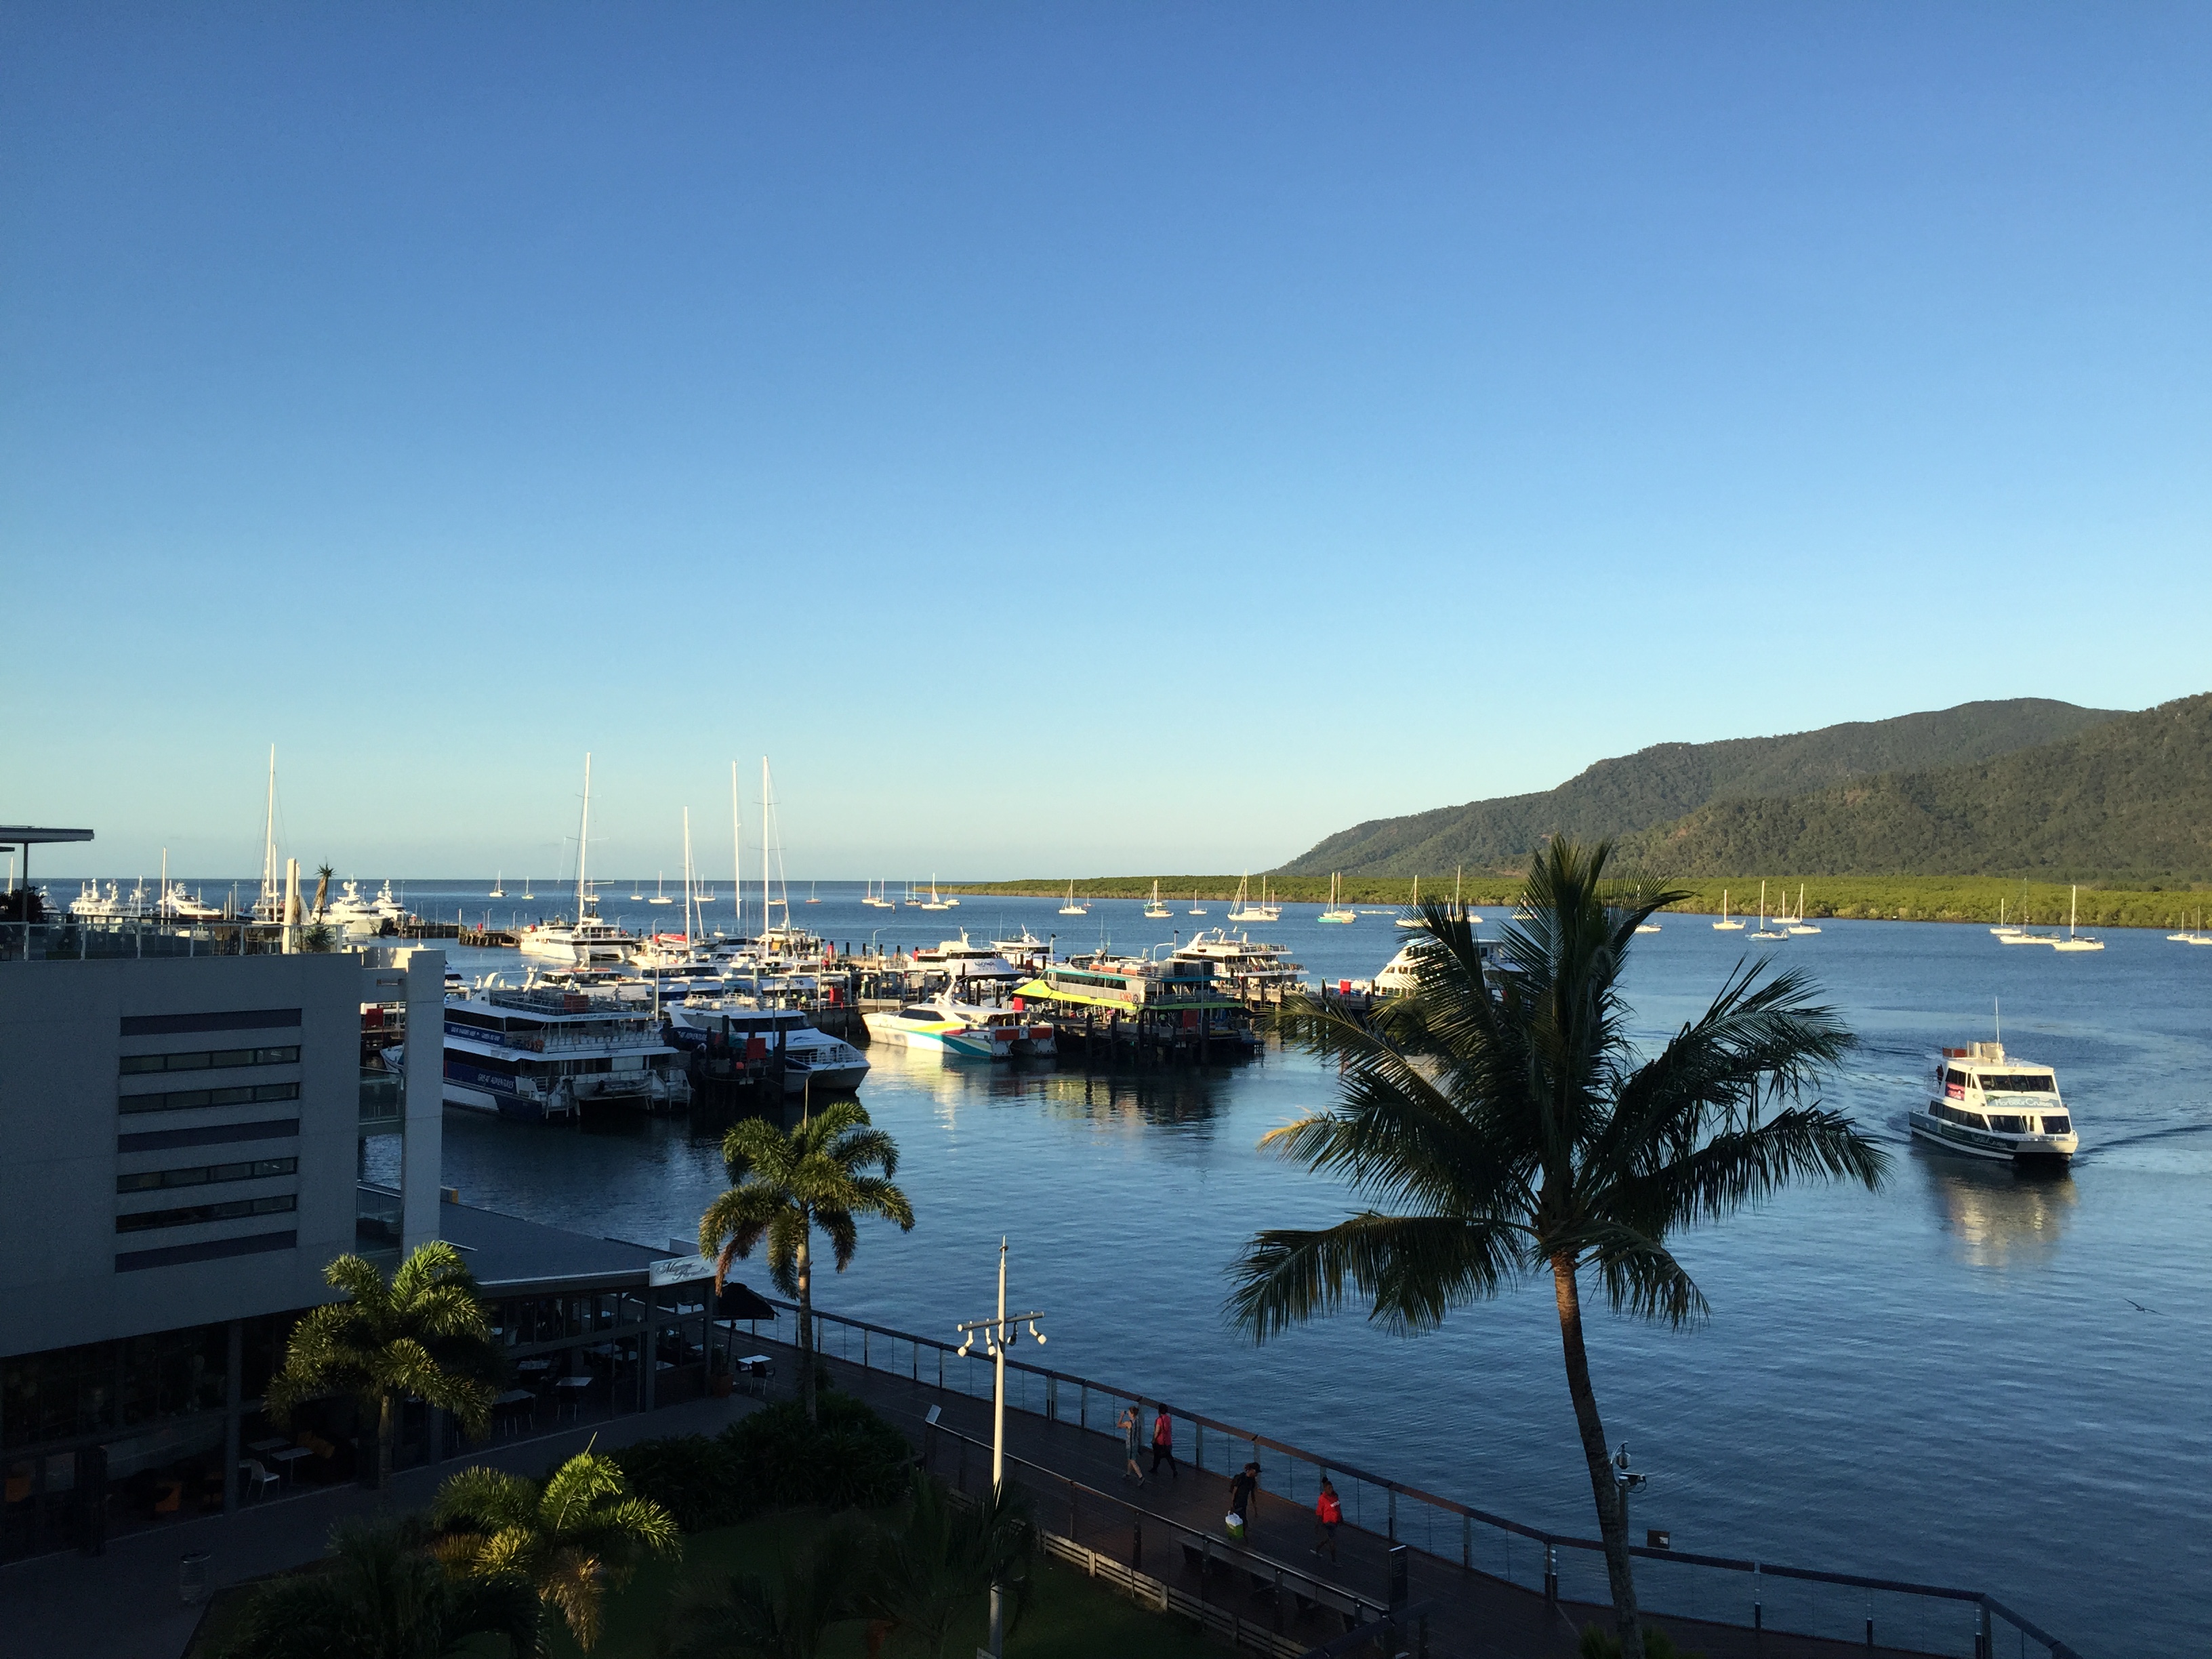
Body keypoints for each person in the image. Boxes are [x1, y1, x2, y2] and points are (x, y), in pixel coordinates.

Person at [1228, 1461, 1261, 1542]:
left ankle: (1236, 1535)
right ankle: (1241, 1535)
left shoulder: (1252, 1481)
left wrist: (1255, 1508)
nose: (1257, 1475)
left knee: (1239, 1519)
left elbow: (1252, 1494)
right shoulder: (1241, 1478)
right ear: (1252, 1470)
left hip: (1244, 1503)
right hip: (1238, 1502)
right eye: (1256, 1472)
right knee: (1241, 1520)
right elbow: (1235, 1491)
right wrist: (1232, 1504)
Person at [1313, 1476, 1342, 1561]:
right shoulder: (1323, 1499)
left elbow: (1338, 1508)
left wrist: (1341, 1518)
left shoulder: (1335, 1496)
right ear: (1325, 1489)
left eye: (1332, 1487)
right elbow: (1320, 1512)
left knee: (1328, 1538)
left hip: (1335, 1521)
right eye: (1329, 1488)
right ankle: (1334, 1560)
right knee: (1332, 1541)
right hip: (1328, 1522)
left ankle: (1318, 1548)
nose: (1331, 1489)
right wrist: (1317, 1524)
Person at [1118, 1406, 1146, 1486]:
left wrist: (1121, 1416)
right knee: (1130, 1459)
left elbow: (1119, 1425)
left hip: (1130, 1445)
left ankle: (1141, 1477)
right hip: (1136, 1443)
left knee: (1132, 1461)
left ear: (1132, 1414)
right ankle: (1128, 1474)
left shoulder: (1129, 1423)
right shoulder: (1138, 1422)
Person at [1150, 1406, 1179, 1479]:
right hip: (1168, 1440)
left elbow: (1157, 1431)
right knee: (1169, 1456)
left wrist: (1154, 1439)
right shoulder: (1168, 1418)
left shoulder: (1159, 1420)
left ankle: (1155, 1468)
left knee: (1157, 1455)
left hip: (1160, 1441)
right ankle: (1174, 1470)